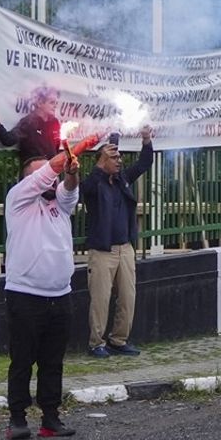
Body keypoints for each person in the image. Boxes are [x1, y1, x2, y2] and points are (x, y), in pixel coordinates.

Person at [4, 136, 95, 440]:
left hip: (60, 296)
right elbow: (49, 171)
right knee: (22, 361)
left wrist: (71, 170)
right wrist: (73, 151)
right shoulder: (18, 200)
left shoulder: (59, 204)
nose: (47, 178)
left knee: (52, 362)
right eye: (39, 174)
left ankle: (50, 418)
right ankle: (17, 419)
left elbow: (69, 188)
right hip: (25, 295)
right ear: (27, 181)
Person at [80, 125, 154, 358]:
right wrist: (100, 168)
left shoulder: (123, 180)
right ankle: (96, 343)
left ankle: (118, 340)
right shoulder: (93, 184)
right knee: (100, 299)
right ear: (101, 161)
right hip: (102, 250)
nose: (119, 161)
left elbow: (144, 164)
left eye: (119, 156)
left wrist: (146, 140)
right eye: (113, 157)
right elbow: (84, 189)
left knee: (127, 297)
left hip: (125, 247)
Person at [0, 85, 62, 163]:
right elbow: (8, 140)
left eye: (56, 103)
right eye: (52, 102)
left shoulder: (54, 122)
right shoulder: (29, 122)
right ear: (39, 103)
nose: (55, 106)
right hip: (34, 171)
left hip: (52, 171)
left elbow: (56, 147)